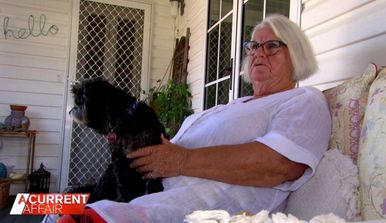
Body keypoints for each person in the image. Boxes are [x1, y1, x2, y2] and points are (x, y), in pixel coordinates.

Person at [58, 14, 331, 223]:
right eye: (254, 45)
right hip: (135, 188)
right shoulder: (237, 104)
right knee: (38, 205)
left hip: (167, 207)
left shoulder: (303, 99)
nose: (259, 52)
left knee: (68, 215)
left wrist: (180, 160)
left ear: (296, 55)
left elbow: (279, 165)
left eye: (272, 46)